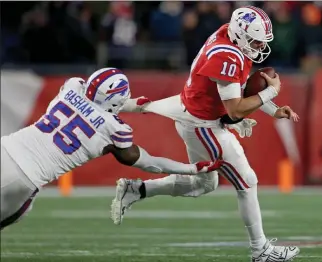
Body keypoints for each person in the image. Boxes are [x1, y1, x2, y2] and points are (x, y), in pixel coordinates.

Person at [113, 6, 300, 262]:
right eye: (255, 40)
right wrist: (270, 93)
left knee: (205, 183)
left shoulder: (228, 36)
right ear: (240, 33)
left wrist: (273, 110)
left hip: (194, 112)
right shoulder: (227, 55)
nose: (259, 45)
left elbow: (241, 88)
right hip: (202, 125)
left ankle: (138, 190)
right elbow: (235, 110)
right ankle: (261, 250)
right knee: (247, 182)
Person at [0, 68, 223, 230]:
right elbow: (150, 163)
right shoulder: (113, 129)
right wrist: (192, 169)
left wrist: (131, 104)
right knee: (18, 214)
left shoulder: (72, 87)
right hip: (24, 178)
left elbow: (93, 102)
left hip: (6, 147)